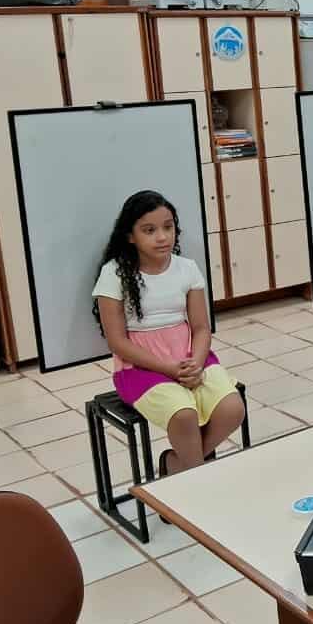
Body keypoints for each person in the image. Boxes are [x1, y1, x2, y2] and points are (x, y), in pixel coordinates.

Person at [92, 190, 245, 479]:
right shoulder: (114, 273)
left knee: (232, 408)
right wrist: (168, 368)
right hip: (139, 367)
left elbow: (201, 327)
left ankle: (180, 465)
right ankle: (197, 479)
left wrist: (196, 362)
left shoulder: (187, 268)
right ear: (130, 236)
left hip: (191, 357)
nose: (162, 237)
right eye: (149, 230)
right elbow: (117, 341)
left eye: (168, 227)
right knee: (183, 413)